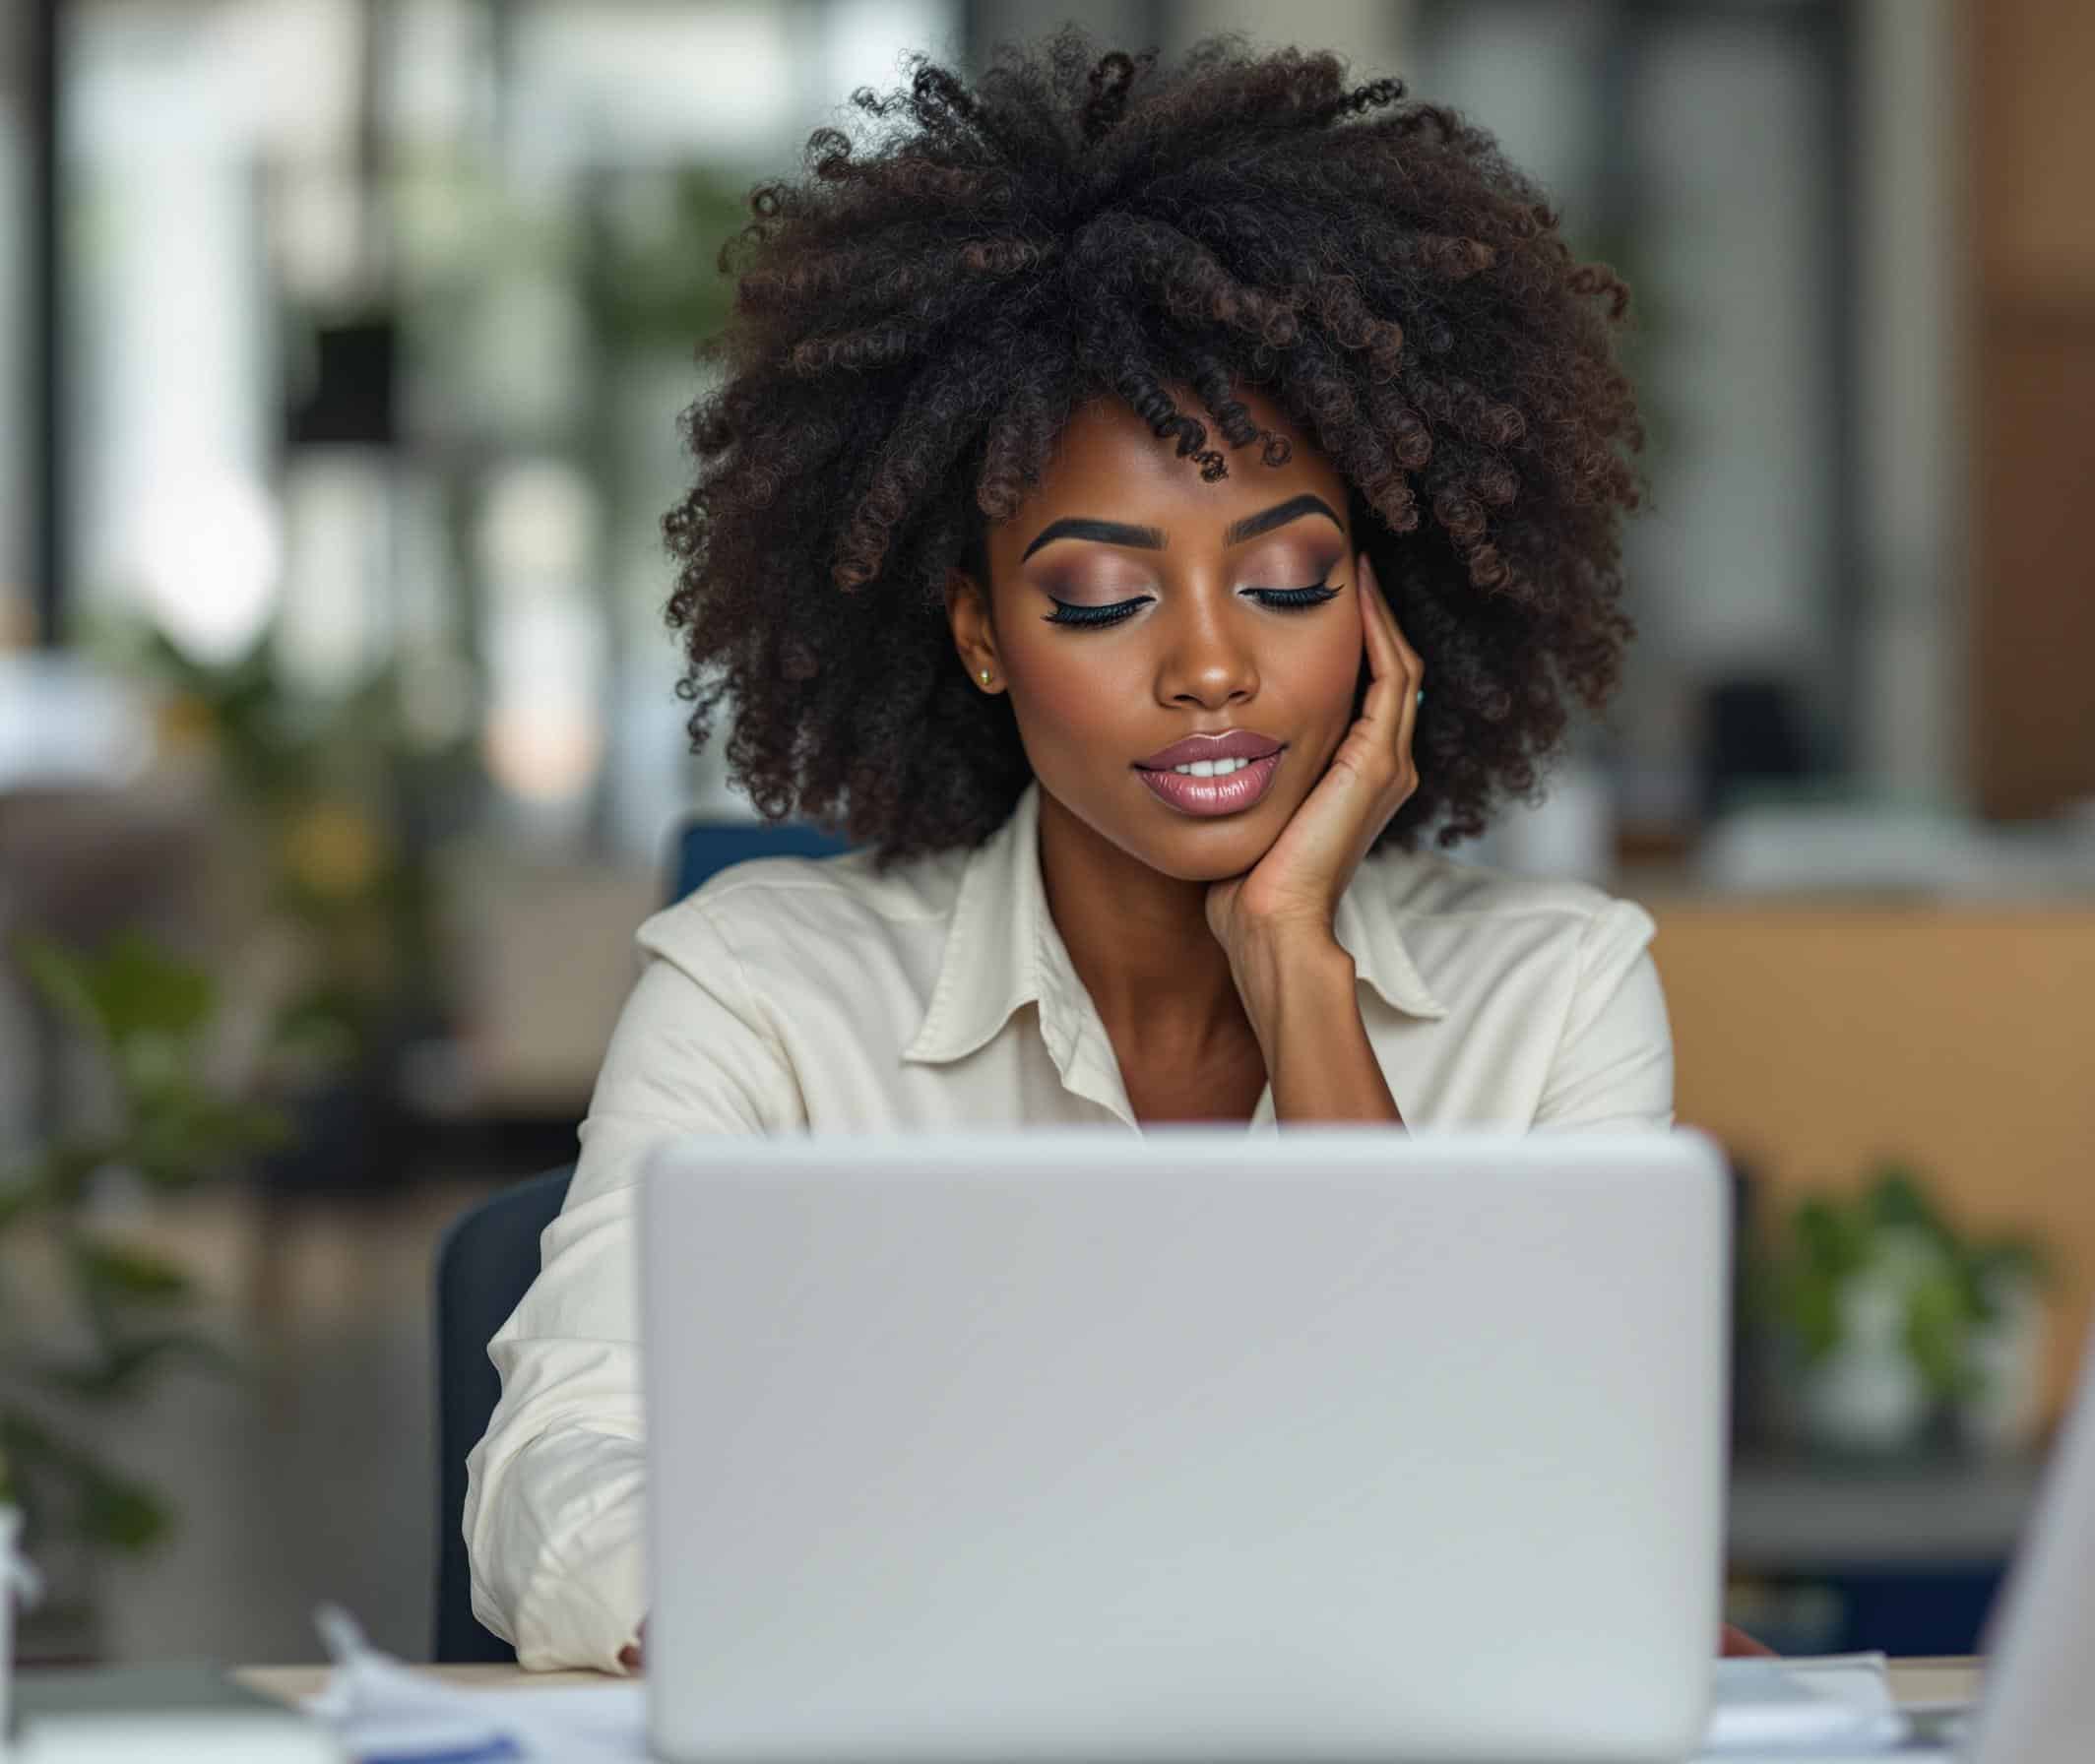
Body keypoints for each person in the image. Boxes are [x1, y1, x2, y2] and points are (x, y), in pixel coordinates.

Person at [463, 25, 1769, 1672]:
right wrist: (817, 1641)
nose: (1211, 664)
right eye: (1100, 594)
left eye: (1290, 577)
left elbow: (1516, 1526)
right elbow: (555, 1476)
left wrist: (1297, 967)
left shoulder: (1558, 996)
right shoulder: (767, 992)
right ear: (985, 630)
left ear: (1395, 602)